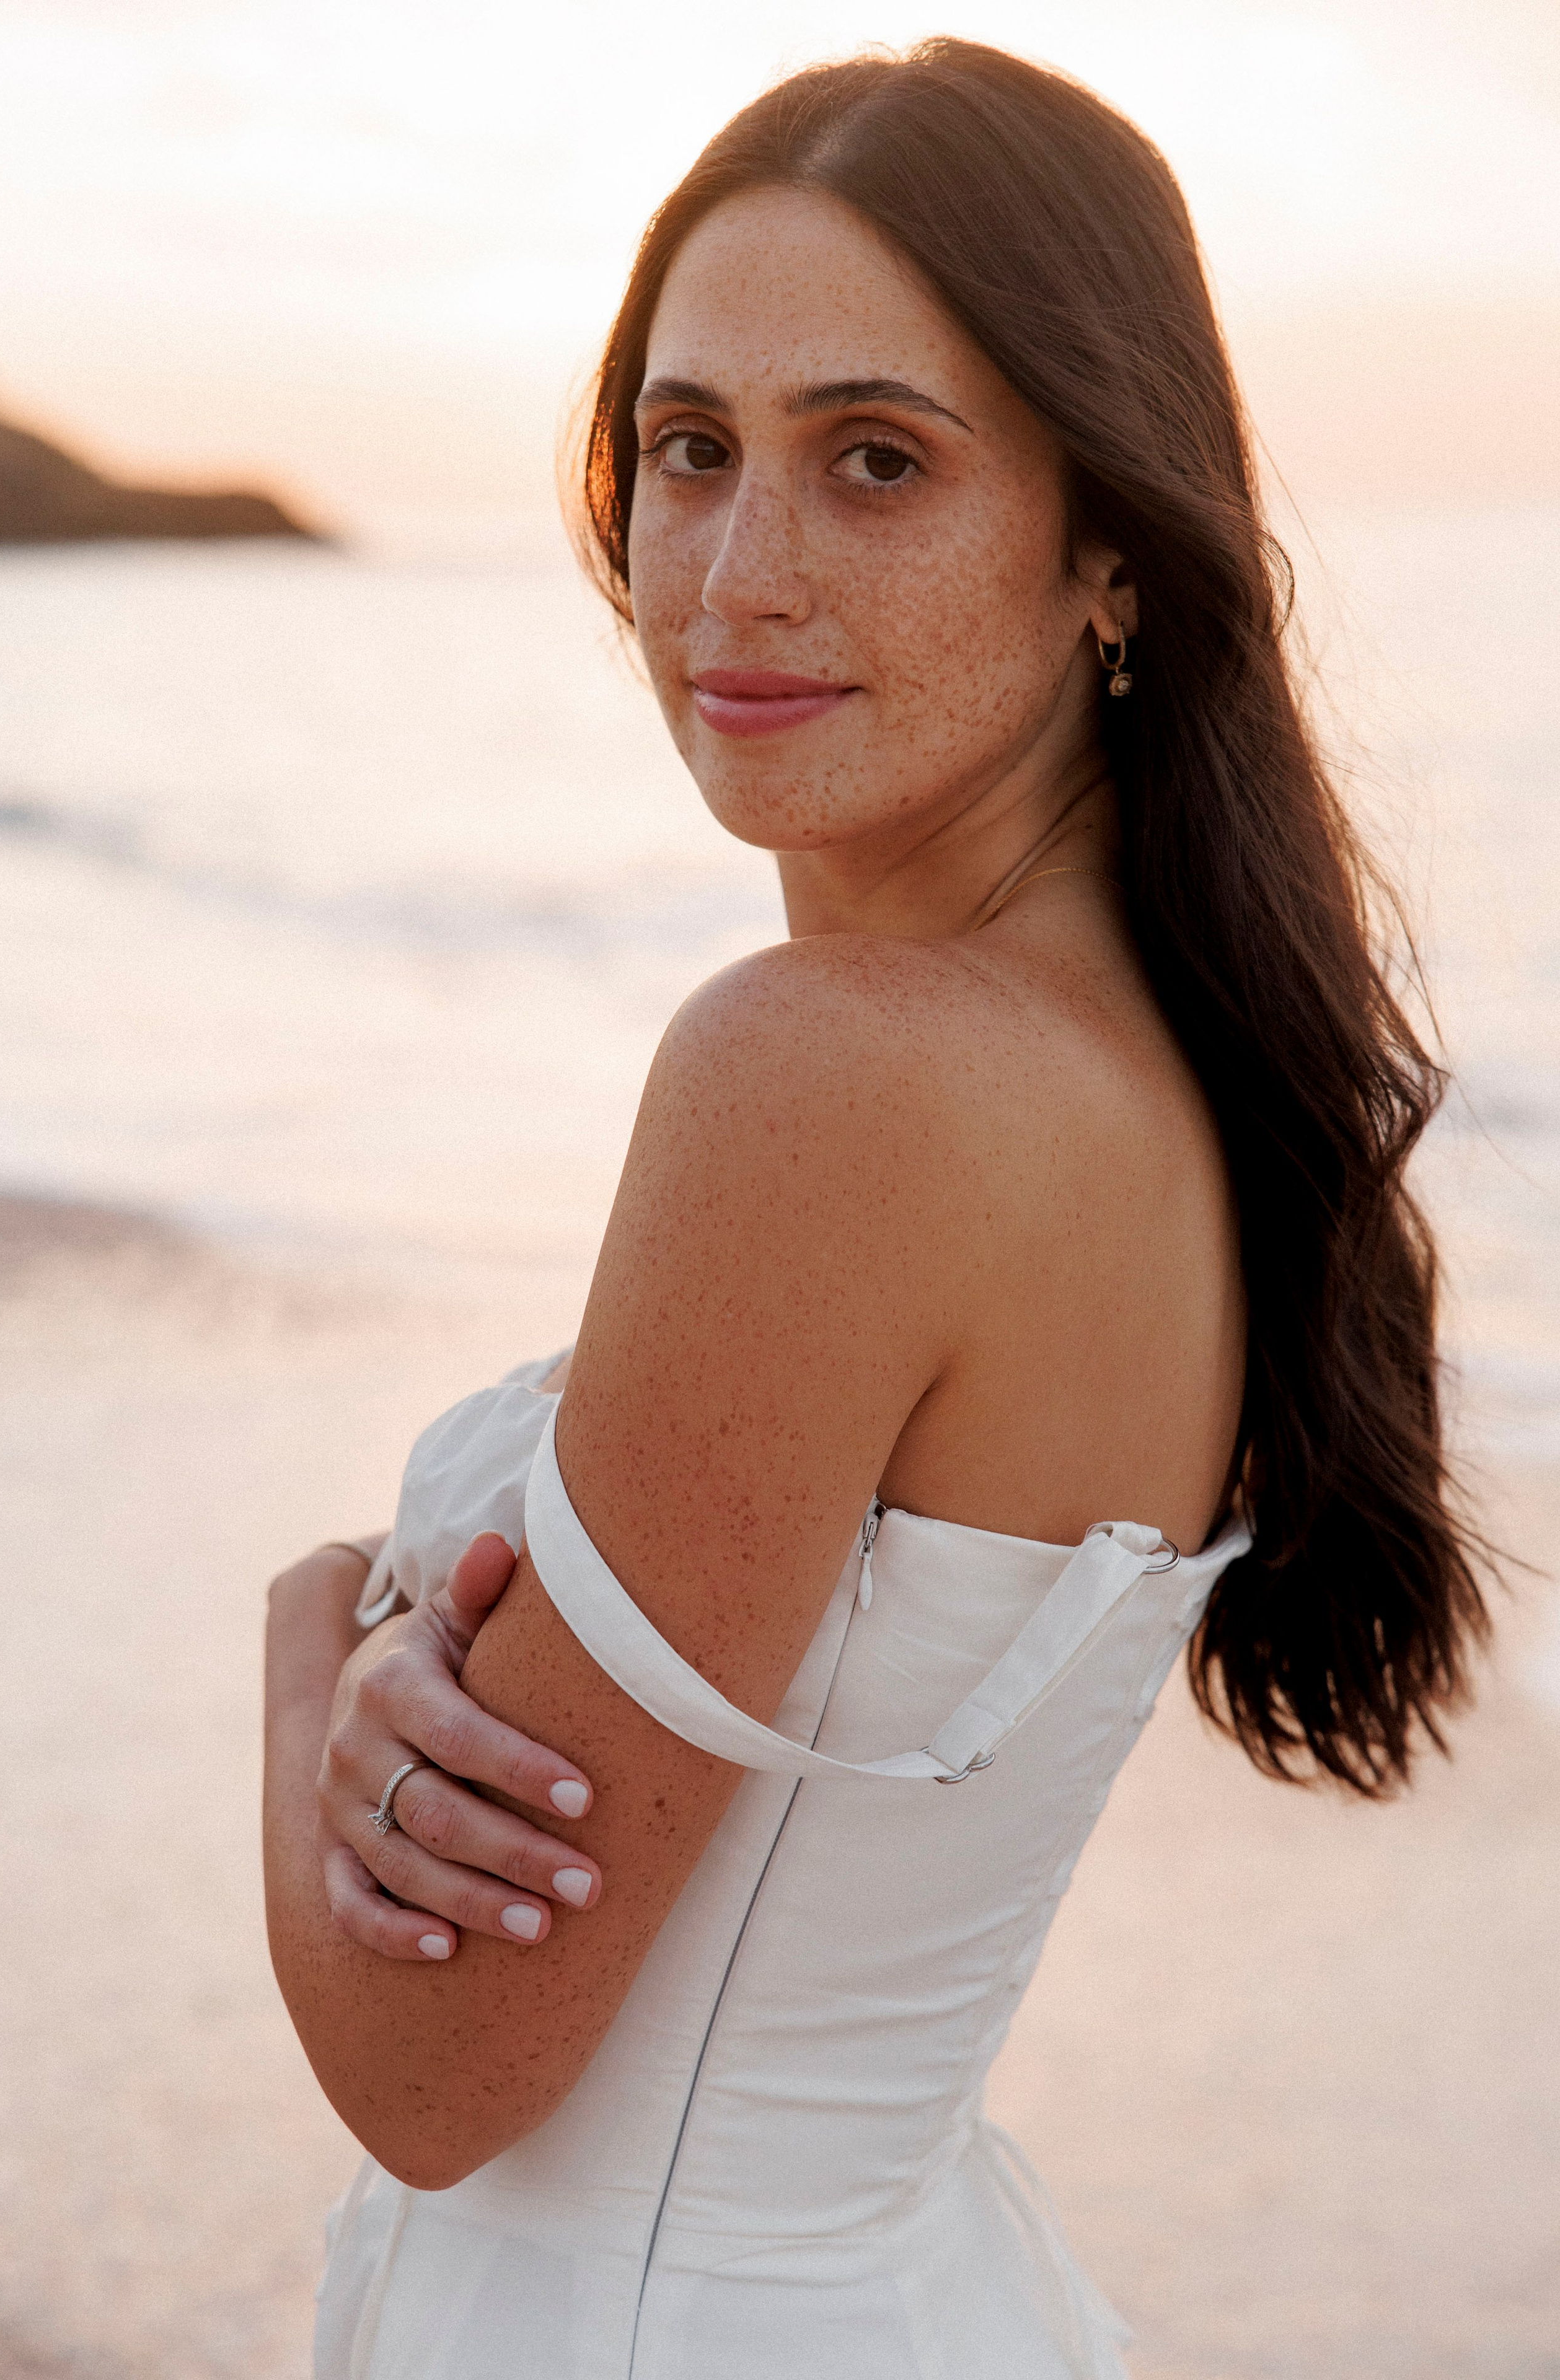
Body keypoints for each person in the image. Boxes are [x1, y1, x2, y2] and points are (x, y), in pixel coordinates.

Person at [262, 40, 1486, 2379]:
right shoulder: (1178, 1086)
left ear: (1112, 541)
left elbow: (436, 2072)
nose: (737, 571)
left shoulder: (825, 1077)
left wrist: (302, 1637)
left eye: (878, 460)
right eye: (694, 447)